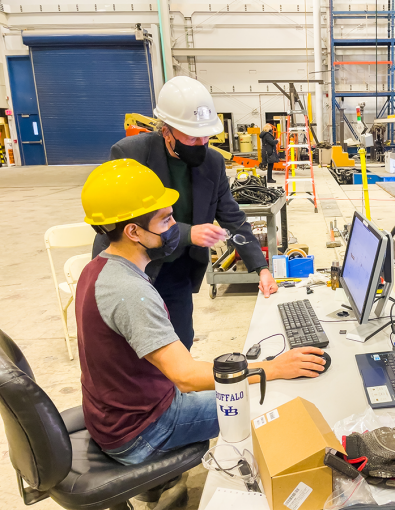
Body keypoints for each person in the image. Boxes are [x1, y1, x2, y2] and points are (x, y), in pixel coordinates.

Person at [77, 159, 326, 467]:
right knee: (270, 397)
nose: (175, 228)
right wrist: (272, 368)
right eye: (166, 220)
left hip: (119, 412)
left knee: (247, 379)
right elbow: (187, 377)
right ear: (133, 231)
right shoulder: (129, 291)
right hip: (142, 429)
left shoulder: (98, 268)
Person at [92, 76, 278, 352]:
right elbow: (126, 221)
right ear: (166, 131)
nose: (202, 143)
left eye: (206, 136)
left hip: (177, 266)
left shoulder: (212, 162)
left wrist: (261, 267)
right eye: (192, 136)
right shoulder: (131, 155)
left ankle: (175, 395)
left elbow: (233, 219)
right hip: (133, 268)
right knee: (133, 351)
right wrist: (190, 232)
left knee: (180, 343)